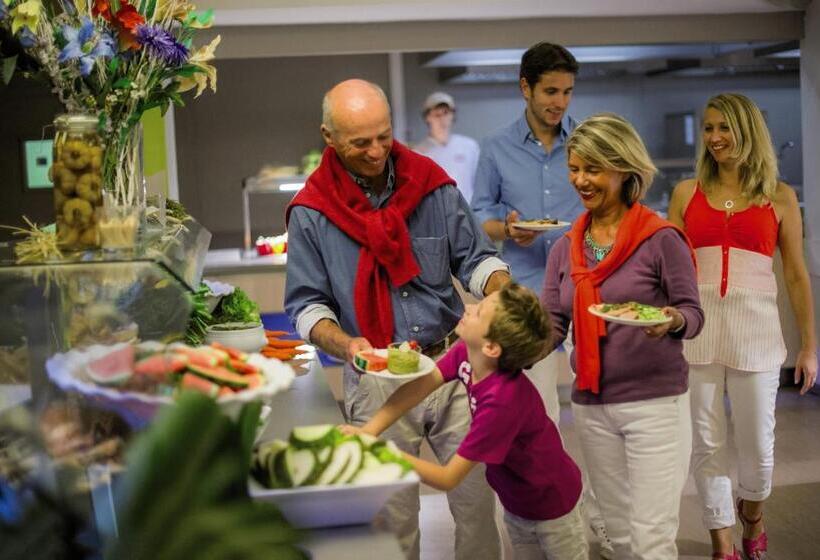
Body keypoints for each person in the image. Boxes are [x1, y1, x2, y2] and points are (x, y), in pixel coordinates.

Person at [284, 79, 509, 560]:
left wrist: (502, 289)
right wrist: (345, 344)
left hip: (452, 367)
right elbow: (306, 306)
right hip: (375, 377)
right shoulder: (311, 211)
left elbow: (475, 259)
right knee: (391, 521)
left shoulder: (430, 184)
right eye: (359, 142)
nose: (375, 151)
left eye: (383, 136)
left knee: (477, 504)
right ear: (328, 137)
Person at [542, 113, 704, 559]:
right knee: (618, 534)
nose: (580, 180)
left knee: (652, 538)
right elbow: (552, 325)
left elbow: (693, 313)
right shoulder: (566, 248)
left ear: (623, 168)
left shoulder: (660, 239)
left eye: (593, 169)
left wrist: (672, 320)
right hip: (592, 405)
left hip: (655, 405)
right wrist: (504, 341)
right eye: (574, 169)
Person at [667, 93, 818, 560]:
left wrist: (809, 347)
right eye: (708, 128)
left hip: (758, 339)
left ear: (747, 131)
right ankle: (723, 541)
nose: (714, 138)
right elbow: (670, 267)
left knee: (759, 448)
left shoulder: (780, 196)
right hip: (698, 336)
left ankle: (752, 514)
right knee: (706, 446)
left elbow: (796, 275)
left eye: (724, 128)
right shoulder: (686, 193)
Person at [342, 282, 588, 560]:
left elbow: (448, 477)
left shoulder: (501, 403)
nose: (468, 307)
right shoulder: (467, 354)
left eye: (479, 312)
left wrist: (380, 451)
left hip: (554, 505)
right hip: (518, 502)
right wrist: (369, 430)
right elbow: (419, 387)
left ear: (491, 347)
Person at [414, 91, 480, 204]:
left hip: (468, 211)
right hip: (436, 212)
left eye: (446, 113)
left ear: (453, 115)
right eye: (437, 114)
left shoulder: (470, 147)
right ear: (427, 117)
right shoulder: (418, 154)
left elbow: (480, 184)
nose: (442, 119)